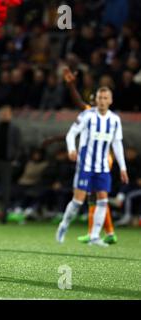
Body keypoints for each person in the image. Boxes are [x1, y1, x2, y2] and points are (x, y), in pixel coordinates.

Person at [56, 85, 129, 247]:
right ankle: (64, 225)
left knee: (103, 200)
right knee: (78, 201)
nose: (102, 101)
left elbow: (117, 144)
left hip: (103, 167)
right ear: (96, 99)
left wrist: (123, 167)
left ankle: (95, 236)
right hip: (85, 166)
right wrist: (72, 149)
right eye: (99, 98)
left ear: (110, 100)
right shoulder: (87, 116)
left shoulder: (115, 120)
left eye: (105, 98)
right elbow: (71, 134)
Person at [63, 67, 118, 244]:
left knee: (96, 195)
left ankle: (103, 233)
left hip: (102, 159)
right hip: (98, 158)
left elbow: (78, 102)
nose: (96, 102)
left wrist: (71, 86)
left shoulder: (100, 114)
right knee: (95, 197)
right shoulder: (90, 114)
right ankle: (104, 233)